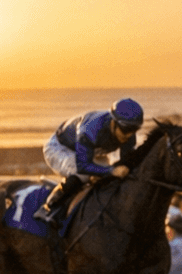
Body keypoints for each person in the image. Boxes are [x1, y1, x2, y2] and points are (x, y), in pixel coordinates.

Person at [35, 98, 144, 230]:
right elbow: (83, 166)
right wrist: (111, 171)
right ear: (113, 122)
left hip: (90, 151)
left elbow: (126, 162)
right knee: (84, 175)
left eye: (134, 129)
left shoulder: (127, 132)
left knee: (110, 175)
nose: (129, 135)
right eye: (126, 129)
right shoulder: (90, 129)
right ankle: (49, 207)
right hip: (59, 148)